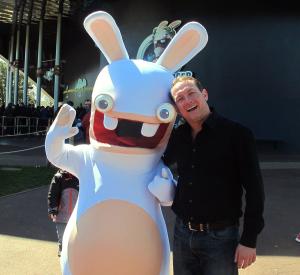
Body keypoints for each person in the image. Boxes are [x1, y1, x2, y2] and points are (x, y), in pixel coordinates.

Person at [163, 76, 265, 275]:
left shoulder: (237, 134)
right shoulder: (179, 136)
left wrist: (249, 240)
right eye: (180, 98)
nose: (187, 101)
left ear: (205, 94)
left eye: (191, 93)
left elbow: (255, 191)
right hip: (182, 234)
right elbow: (158, 161)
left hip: (220, 238)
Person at [47, 169, 79, 257]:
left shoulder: (79, 177)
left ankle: (74, 250)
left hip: (76, 214)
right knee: (62, 233)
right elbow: (52, 194)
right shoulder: (58, 177)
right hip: (61, 214)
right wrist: (52, 208)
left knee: (75, 234)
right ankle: (62, 247)